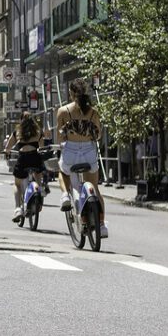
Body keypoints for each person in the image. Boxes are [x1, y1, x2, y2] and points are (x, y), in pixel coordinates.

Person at [56, 78, 107, 238]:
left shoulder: (63, 111)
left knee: (63, 172)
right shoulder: (94, 112)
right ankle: (102, 225)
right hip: (89, 152)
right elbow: (98, 135)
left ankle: (65, 195)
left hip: (70, 151)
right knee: (95, 188)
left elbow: (60, 137)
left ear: (71, 93)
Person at [4, 112, 45, 222]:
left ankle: (18, 209)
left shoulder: (17, 132)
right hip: (35, 158)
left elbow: (8, 147)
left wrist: (7, 151)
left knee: (17, 184)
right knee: (38, 173)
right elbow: (41, 148)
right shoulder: (38, 132)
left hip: (23, 159)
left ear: (21, 120)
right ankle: (40, 191)